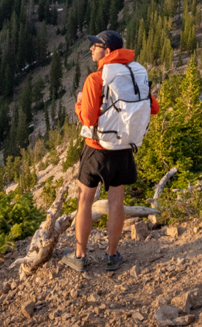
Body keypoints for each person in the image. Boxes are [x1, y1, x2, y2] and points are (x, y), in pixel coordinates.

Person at [65, 30, 156, 272]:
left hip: (96, 149)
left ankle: (79, 255)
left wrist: (79, 101)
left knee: (85, 200)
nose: (91, 49)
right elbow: (153, 107)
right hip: (124, 148)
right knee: (117, 202)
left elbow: (88, 119)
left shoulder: (96, 79)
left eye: (95, 45)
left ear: (107, 50)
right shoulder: (135, 74)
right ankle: (112, 255)